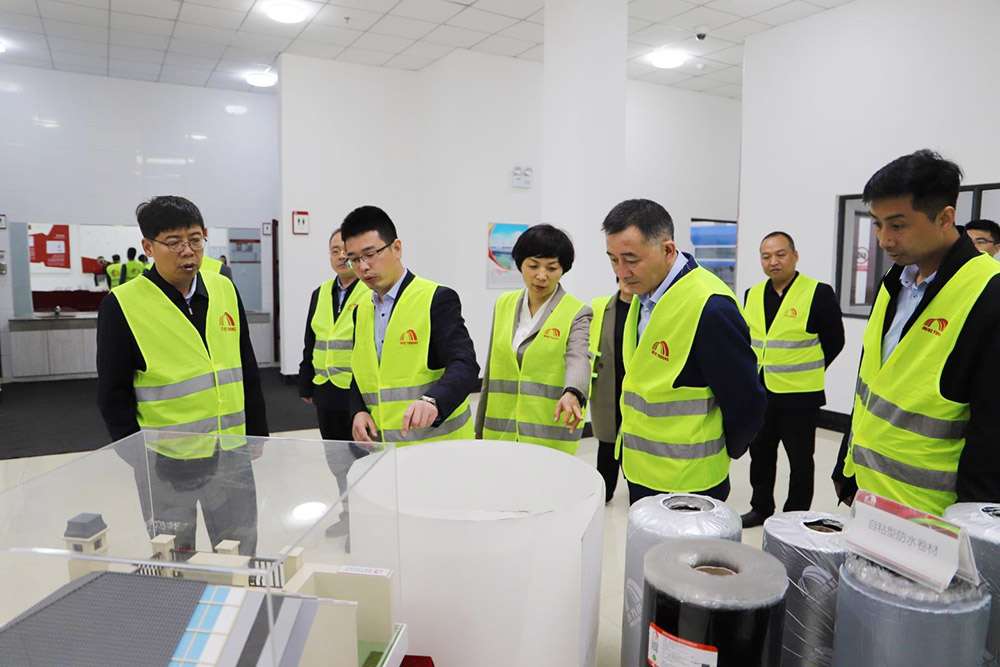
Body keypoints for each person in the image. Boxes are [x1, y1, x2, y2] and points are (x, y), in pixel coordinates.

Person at [97, 195, 268, 555]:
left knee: (240, 550)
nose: (188, 251)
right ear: (148, 247)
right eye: (174, 243)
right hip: (165, 459)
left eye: (195, 240)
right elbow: (113, 393)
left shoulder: (223, 288)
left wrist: (257, 430)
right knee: (175, 554)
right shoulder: (122, 304)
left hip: (231, 449)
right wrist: (138, 457)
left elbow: (245, 362)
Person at [834, 150, 1000, 515]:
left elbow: (991, 432)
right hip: (869, 491)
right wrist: (846, 464)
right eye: (877, 224)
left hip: (933, 514)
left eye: (897, 225)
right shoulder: (894, 280)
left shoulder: (988, 294)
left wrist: (975, 527)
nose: (884, 240)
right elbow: (871, 383)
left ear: (944, 218)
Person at [603, 199, 765, 505]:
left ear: (667, 250)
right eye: (613, 260)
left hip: (690, 483)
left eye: (631, 259)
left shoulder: (710, 306)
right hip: (640, 472)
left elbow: (746, 402)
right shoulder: (644, 295)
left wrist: (723, 449)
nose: (621, 272)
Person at [344, 205, 479, 445]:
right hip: (386, 449)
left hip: (438, 447)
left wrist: (433, 401)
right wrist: (358, 409)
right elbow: (363, 370)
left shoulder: (435, 299)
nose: (363, 267)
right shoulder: (361, 308)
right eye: (354, 259)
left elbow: (465, 364)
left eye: (370, 254)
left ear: (396, 248)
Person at [740, 232, 845, 528]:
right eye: (766, 256)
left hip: (800, 395)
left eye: (780, 254)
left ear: (795, 256)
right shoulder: (752, 294)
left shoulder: (817, 293)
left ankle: (795, 515)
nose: (773, 261)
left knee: (800, 460)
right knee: (760, 456)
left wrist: (808, 368)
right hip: (761, 393)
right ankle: (760, 507)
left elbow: (835, 341)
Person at [475, 224, 593, 453]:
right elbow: (491, 371)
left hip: (546, 435)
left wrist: (574, 392)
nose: (541, 276)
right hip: (500, 432)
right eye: (533, 265)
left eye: (552, 268)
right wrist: (480, 426)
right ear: (520, 264)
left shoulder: (577, 312)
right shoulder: (504, 304)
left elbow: (579, 357)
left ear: (563, 270)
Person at [299, 228, 371, 537]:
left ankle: (367, 523)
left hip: (358, 395)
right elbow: (311, 339)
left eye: (346, 250)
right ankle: (348, 516)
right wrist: (306, 381)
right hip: (326, 391)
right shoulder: (320, 293)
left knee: (362, 461)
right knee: (337, 461)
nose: (341, 256)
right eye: (334, 251)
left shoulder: (369, 292)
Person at [588, 276, 633, 503]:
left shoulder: (649, 310)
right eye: (623, 278)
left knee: (634, 442)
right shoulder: (601, 307)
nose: (627, 281)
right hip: (608, 384)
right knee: (607, 441)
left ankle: (638, 489)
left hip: (636, 387)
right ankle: (604, 492)